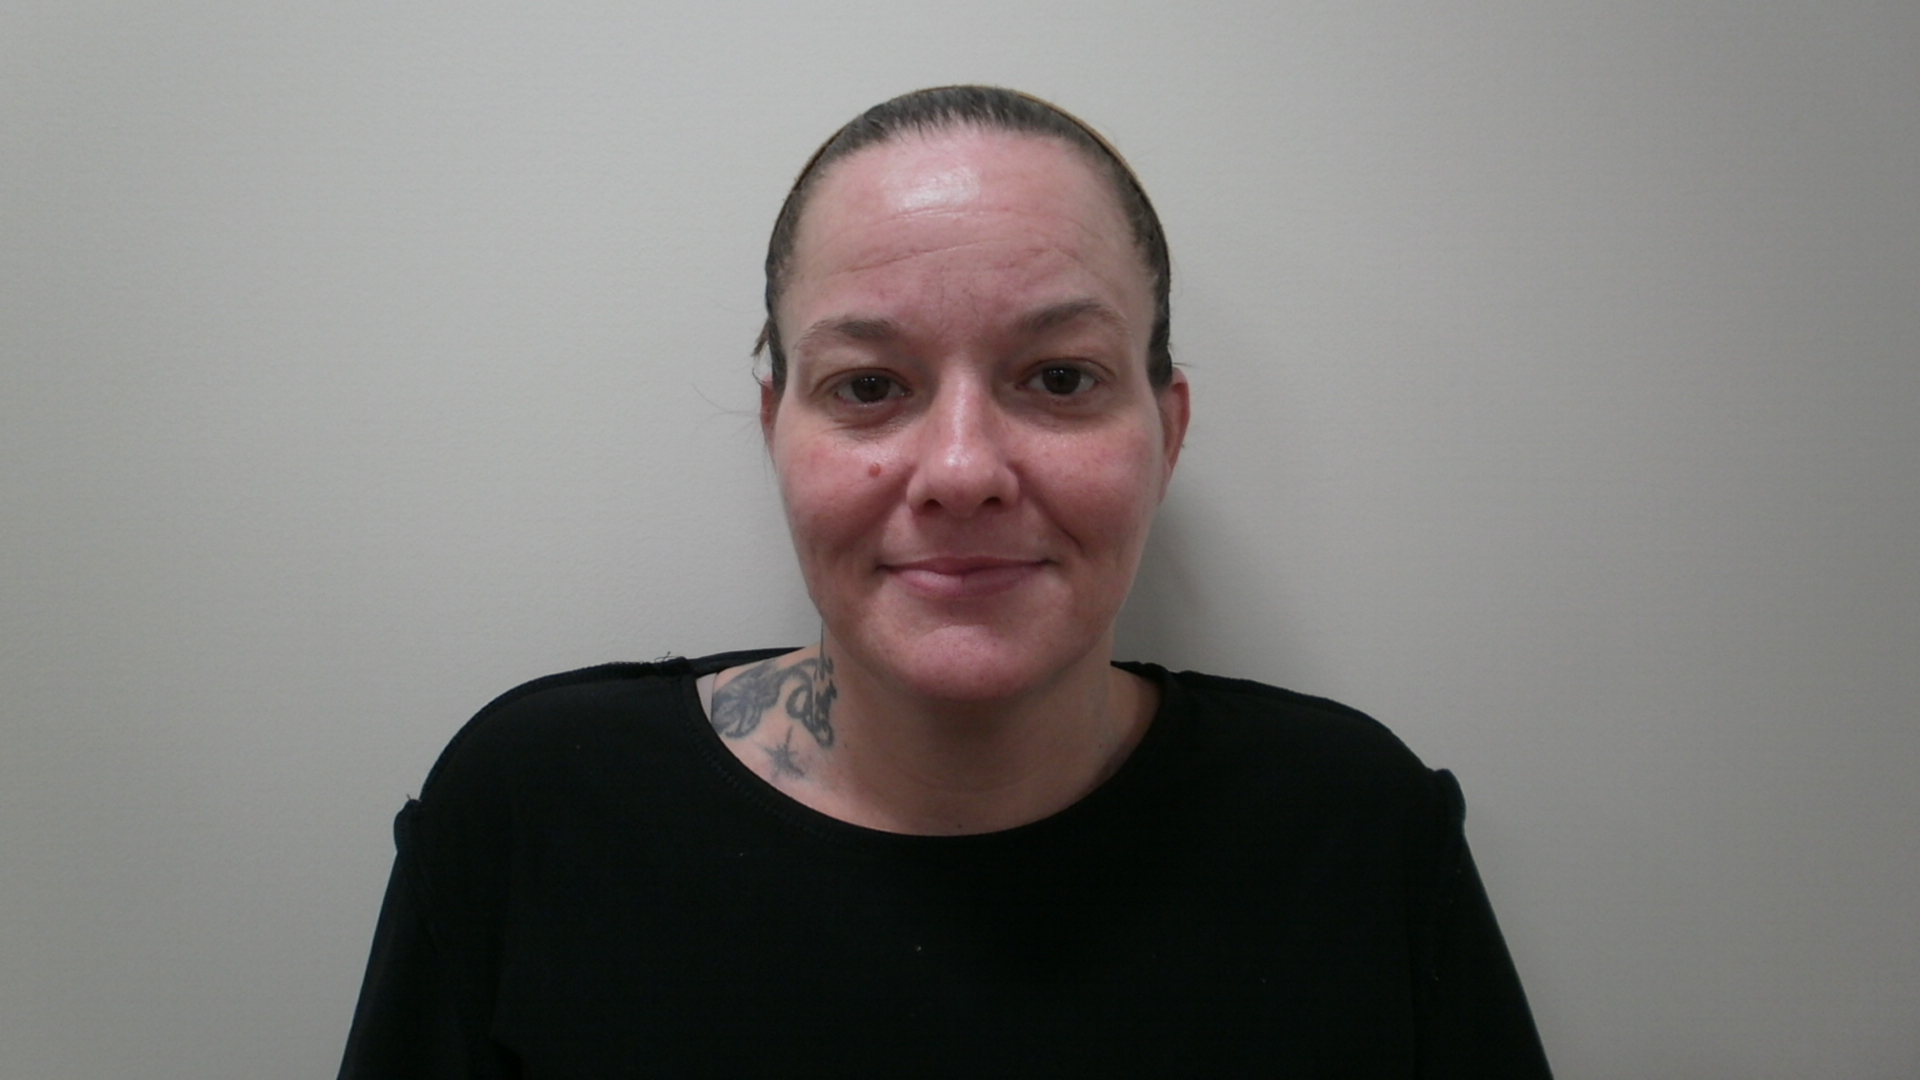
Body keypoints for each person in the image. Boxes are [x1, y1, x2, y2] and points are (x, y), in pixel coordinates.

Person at [338, 85, 1551, 1078]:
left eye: (1060, 378)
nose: (962, 471)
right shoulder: (537, 815)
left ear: (1169, 432)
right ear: (775, 431)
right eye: (869, 387)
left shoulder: (1354, 836)